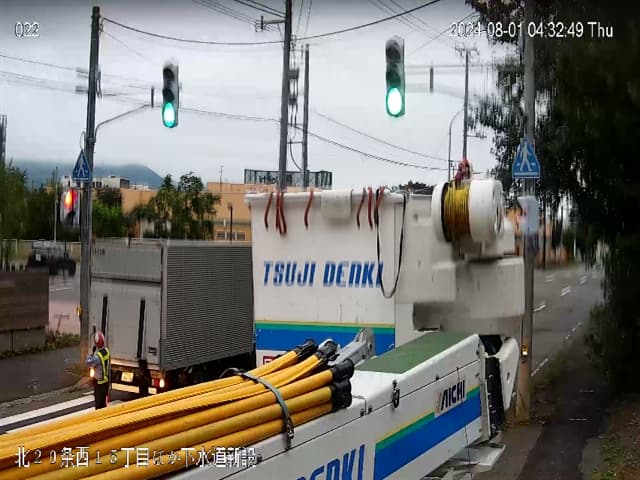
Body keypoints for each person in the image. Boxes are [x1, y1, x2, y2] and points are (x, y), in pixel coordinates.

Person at [86, 331, 110, 409]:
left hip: (99, 384)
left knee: (99, 405)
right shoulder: (107, 351)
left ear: (96, 343)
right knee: (104, 404)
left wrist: (90, 352)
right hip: (106, 382)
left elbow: (87, 363)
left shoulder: (97, 357)